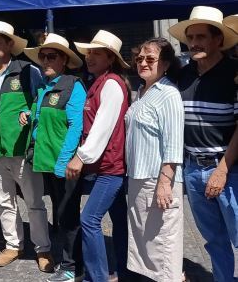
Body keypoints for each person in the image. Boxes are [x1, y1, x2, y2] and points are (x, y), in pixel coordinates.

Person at [0, 21, 53, 272]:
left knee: (34, 203)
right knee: (5, 202)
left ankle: (43, 249)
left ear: (10, 44)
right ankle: (13, 245)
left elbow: (44, 102)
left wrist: (29, 113)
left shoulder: (28, 71)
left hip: (22, 151)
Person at [169, 6, 238, 282]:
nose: (194, 43)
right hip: (193, 170)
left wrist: (222, 169)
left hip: (229, 170)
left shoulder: (234, 74)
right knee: (214, 240)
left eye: (201, 37)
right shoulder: (183, 76)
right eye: (190, 38)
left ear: (218, 39)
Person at [21, 33, 86, 282]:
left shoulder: (73, 85)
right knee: (60, 215)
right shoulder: (46, 87)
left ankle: (74, 268)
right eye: (43, 56)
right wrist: (28, 113)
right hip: (48, 162)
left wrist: (64, 162)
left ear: (64, 60)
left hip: (64, 165)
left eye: (52, 56)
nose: (45, 60)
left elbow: (75, 127)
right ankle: (68, 262)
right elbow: (43, 115)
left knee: (69, 218)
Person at [68, 30, 131, 281]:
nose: (89, 57)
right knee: (119, 221)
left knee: (89, 220)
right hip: (105, 166)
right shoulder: (100, 82)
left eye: (97, 53)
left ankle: (98, 277)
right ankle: (127, 273)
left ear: (110, 58)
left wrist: (81, 157)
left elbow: (102, 128)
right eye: (89, 53)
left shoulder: (111, 84)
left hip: (110, 168)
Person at [125, 38, 184, 281]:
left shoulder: (168, 94)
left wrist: (164, 182)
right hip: (138, 177)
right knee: (145, 243)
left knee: (163, 244)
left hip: (157, 179)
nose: (143, 63)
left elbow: (174, 142)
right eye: (139, 58)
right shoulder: (140, 92)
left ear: (166, 63)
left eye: (150, 58)